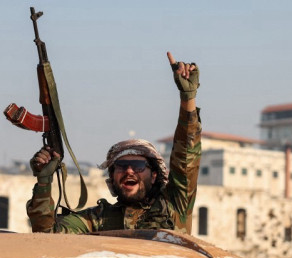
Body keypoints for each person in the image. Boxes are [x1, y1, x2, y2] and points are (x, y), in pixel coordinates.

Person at [27, 52, 201, 234]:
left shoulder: (174, 205)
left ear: (154, 175)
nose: (129, 171)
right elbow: (47, 236)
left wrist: (188, 98)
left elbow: (186, 158)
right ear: (112, 176)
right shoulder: (98, 220)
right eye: (121, 166)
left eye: (138, 165)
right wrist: (44, 181)